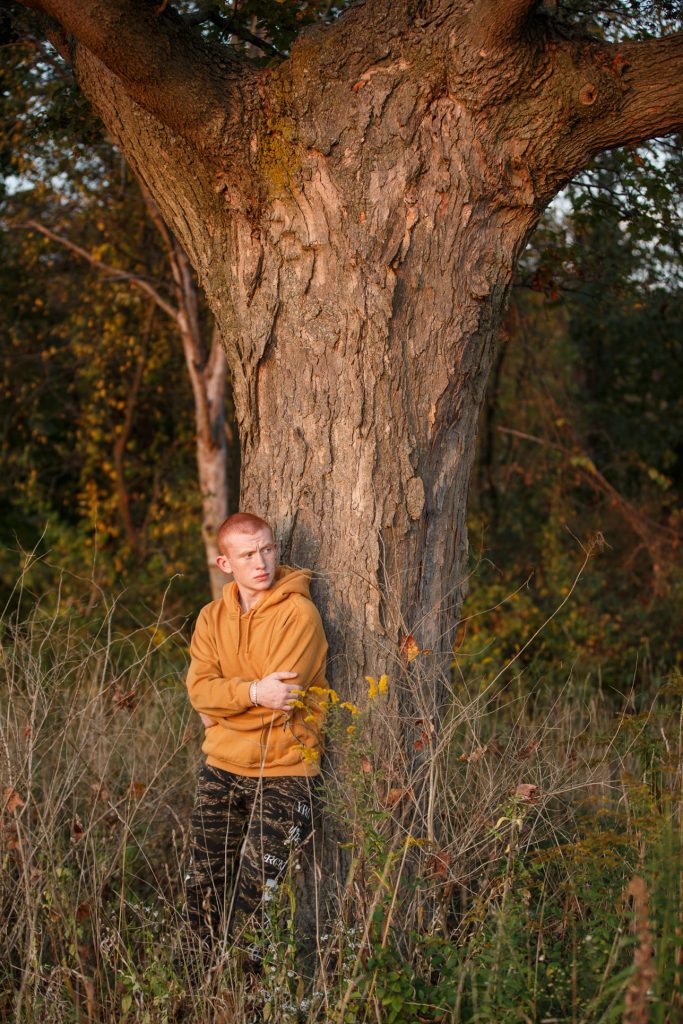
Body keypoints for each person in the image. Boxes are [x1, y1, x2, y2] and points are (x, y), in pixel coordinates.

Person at [183, 511, 328, 969]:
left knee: (253, 906)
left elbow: (279, 704)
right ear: (226, 564)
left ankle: (250, 1005)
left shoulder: (299, 614)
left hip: (286, 771)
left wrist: (222, 713)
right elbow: (197, 690)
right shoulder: (211, 618)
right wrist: (250, 693)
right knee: (201, 896)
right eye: (247, 554)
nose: (261, 562)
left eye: (267, 549)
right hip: (221, 769)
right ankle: (199, 1000)